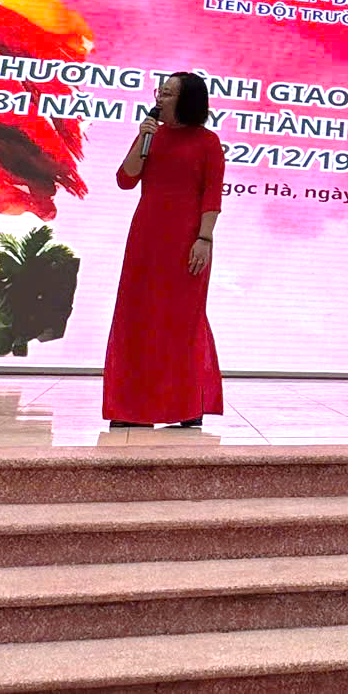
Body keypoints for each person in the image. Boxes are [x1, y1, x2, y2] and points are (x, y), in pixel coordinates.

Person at [105, 72, 227, 429]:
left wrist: (204, 239)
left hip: (188, 238)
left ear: (188, 100)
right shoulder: (150, 135)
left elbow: (211, 195)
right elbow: (125, 180)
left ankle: (184, 406)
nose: (161, 97)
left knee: (179, 320)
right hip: (146, 236)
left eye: (170, 93)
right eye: (161, 91)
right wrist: (143, 138)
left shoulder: (207, 142)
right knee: (137, 316)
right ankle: (131, 408)